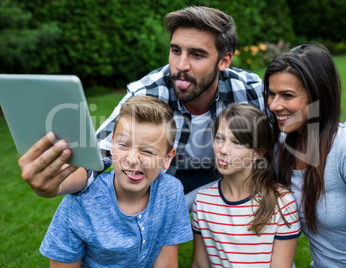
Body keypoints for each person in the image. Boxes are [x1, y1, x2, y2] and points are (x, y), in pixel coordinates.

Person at [18, 6, 264, 210]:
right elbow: (96, 156)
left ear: (224, 61)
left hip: (224, 175)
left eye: (196, 55)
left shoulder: (250, 90)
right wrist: (56, 184)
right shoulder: (149, 92)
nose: (181, 65)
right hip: (164, 178)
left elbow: (275, 149)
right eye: (175, 50)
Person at [263, 43, 346, 267]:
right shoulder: (281, 148)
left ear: (318, 97)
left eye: (287, 95)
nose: (274, 105)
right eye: (272, 94)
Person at [39, 96, 193, 267]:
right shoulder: (81, 202)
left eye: (148, 151)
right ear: (111, 144)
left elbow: (166, 264)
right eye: (124, 145)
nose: (133, 159)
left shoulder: (171, 192)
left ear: (167, 158)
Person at [190, 103, 301, 267]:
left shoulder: (282, 202)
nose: (223, 150)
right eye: (219, 138)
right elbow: (200, 264)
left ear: (258, 153)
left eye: (236, 142)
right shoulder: (202, 202)